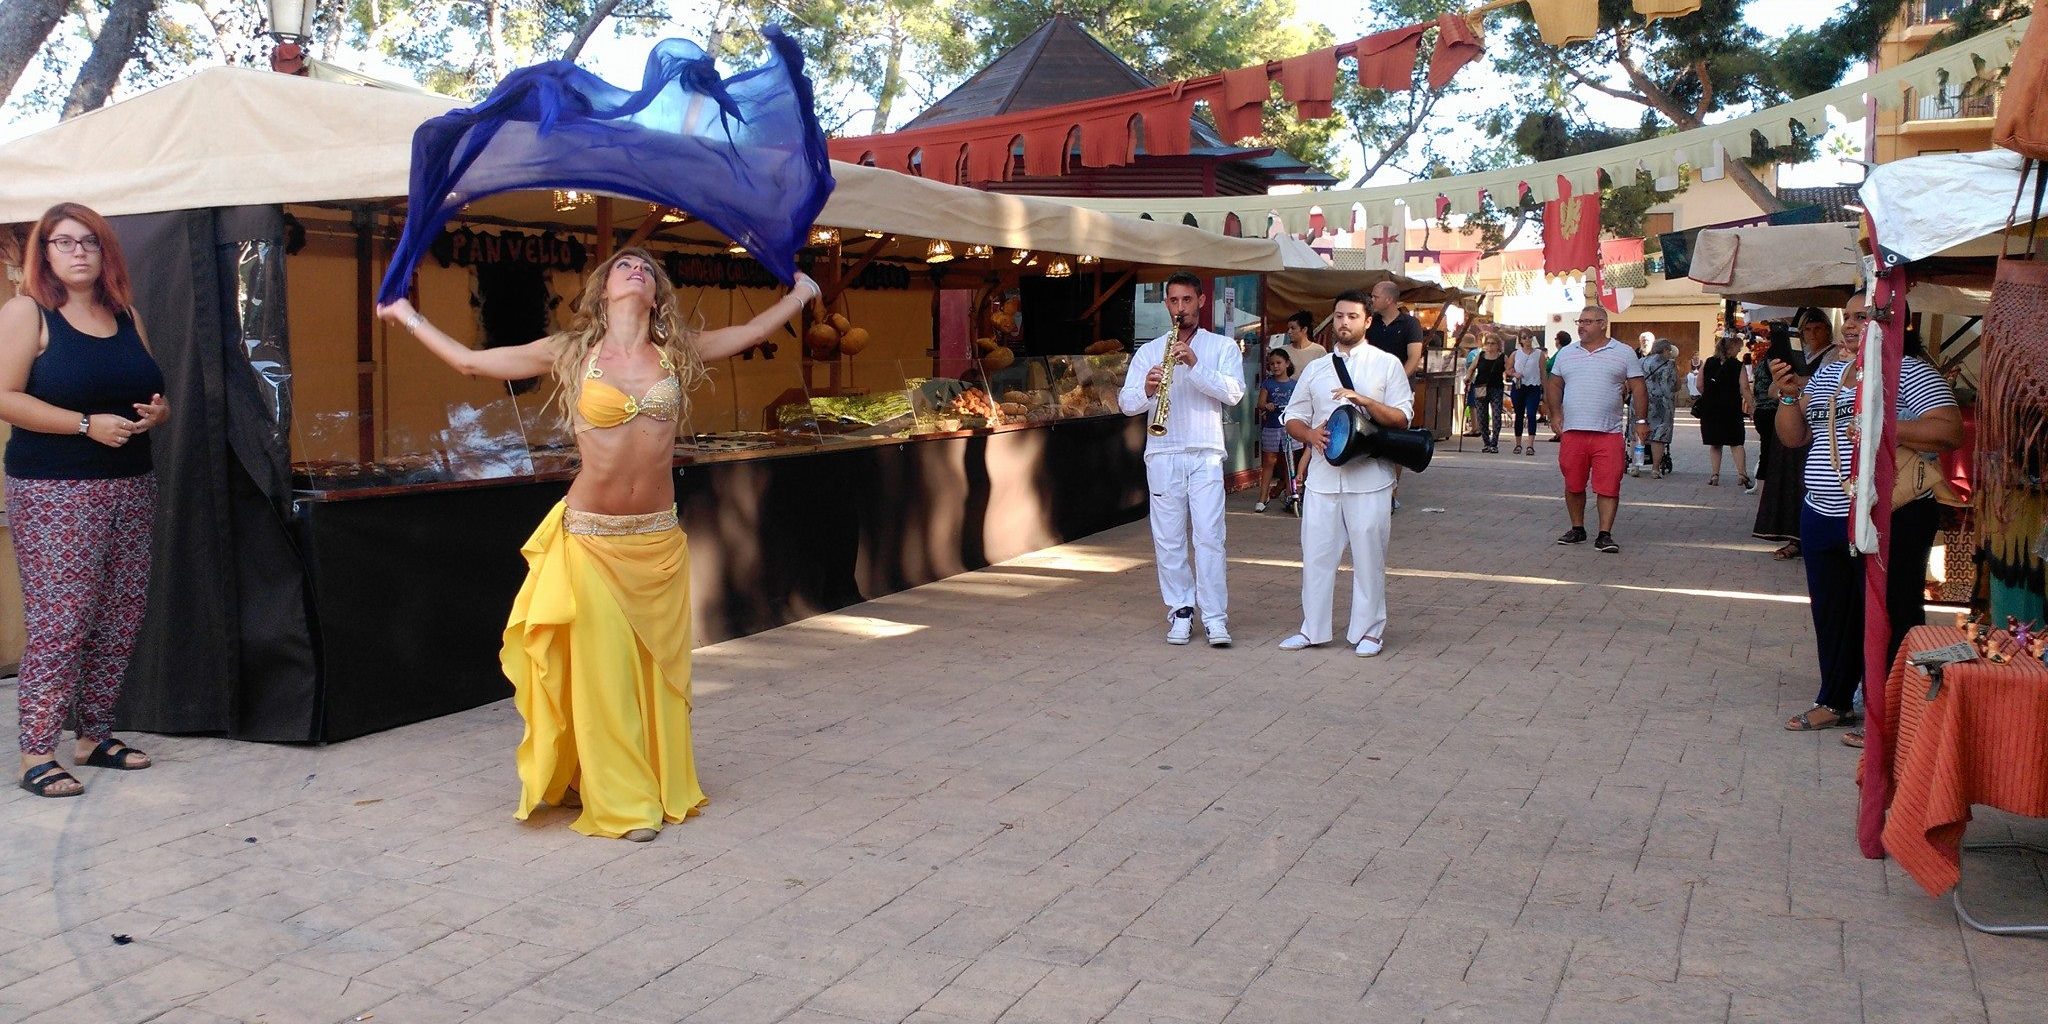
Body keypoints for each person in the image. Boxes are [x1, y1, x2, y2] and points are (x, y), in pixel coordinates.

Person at [376, 250, 817, 841]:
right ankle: (624, 803)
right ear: (602, 289)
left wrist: (801, 294)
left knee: (654, 675)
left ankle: (644, 779)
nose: (635, 270)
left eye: (645, 268)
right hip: (590, 540)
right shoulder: (570, 353)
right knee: (605, 678)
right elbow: (469, 363)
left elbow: (748, 332)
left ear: (656, 293)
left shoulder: (677, 351)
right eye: (622, 266)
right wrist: (404, 311)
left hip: (656, 541)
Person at [0, 204, 170, 799]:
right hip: (55, 490)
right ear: (43, 253)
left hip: (131, 482)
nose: (77, 252)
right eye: (63, 242)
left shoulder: (124, 315)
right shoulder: (28, 313)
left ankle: (93, 737)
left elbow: (149, 389)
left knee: (119, 616)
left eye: (89, 242)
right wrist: (82, 426)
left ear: (105, 253)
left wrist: (158, 413)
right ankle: (35, 754)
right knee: (61, 622)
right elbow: (3, 397)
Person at [1773, 292, 1962, 733]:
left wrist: (1880, 422)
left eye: (1865, 316)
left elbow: (1949, 430)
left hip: (1887, 514)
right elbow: (1794, 436)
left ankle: (1895, 714)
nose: (1852, 324)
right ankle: (1835, 700)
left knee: (1891, 612)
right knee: (1832, 612)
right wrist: (1786, 398)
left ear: (1895, 324)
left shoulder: (1909, 372)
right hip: (1821, 512)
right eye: (1850, 316)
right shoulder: (1830, 372)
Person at [1278, 289, 1415, 657]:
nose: (1344, 323)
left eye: (1352, 316)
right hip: (1324, 477)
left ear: (1367, 321)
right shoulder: (1317, 368)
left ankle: (1369, 631)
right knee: (1317, 554)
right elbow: (1292, 416)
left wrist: (1366, 401)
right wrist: (1310, 436)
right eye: (1339, 316)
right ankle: (1313, 629)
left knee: (1369, 555)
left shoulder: (1386, 364)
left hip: (1369, 477)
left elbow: (1403, 417)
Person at [1119, 271, 1245, 647]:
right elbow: (1126, 404)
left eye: (1187, 300)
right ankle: (1180, 611)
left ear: (1201, 302)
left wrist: (1194, 364)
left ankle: (1216, 617)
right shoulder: (1148, 351)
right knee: (1169, 538)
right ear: (1166, 304)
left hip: (1205, 451)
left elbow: (1234, 393)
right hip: (1162, 452)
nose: (1180, 308)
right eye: (1173, 301)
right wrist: (1146, 388)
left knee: (1209, 537)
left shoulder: (1221, 347)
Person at [1544, 304, 1649, 554]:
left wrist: (1641, 421)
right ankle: (1577, 528)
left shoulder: (1623, 352)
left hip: (1608, 432)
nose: (1581, 326)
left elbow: (1638, 388)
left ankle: (1604, 534)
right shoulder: (1567, 354)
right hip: (1573, 431)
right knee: (1573, 483)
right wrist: (1555, 413)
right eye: (1580, 322)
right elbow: (1554, 384)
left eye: (1588, 321)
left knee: (1609, 484)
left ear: (1603, 324)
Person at [1752, 320, 1816, 558]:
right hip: (1795, 427)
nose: (1812, 334)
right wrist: (1790, 391)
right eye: (1807, 329)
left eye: (1817, 328)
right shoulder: (1800, 355)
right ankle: (1795, 536)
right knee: (1792, 483)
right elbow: (1772, 390)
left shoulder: (1833, 358)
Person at [1365, 281, 1422, 504]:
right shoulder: (1372, 323)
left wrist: (1396, 381)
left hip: (1399, 390)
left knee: (1396, 439)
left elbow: (1414, 358)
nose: (1372, 300)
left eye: (1375, 296)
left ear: (1389, 299)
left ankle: (1392, 491)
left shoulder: (1410, 324)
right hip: (1371, 388)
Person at [1690, 332, 1754, 489]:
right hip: (1731, 407)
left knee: (1715, 443)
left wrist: (1711, 395)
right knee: (1736, 442)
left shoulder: (1708, 363)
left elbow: (1699, 385)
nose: (1739, 351)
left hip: (1711, 408)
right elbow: (1744, 387)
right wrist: (1752, 405)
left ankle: (1715, 475)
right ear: (1731, 348)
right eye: (1738, 348)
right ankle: (1742, 474)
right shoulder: (1737, 365)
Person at [1253, 349, 1299, 513]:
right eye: (1272, 364)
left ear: (1287, 363)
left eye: (1278, 363)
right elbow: (1260, 403)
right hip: (1272, 427)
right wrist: (1267, 406)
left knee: (1289, 462)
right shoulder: (1268, 383)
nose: (1275, 366)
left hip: (1289, 427)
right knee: (1269, 462)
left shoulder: (1295, 384)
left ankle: (1290, 494)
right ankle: (1263, 497)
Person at [1639, 339, 1679, 477]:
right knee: (1659, 435)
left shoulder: (1641, 361)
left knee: (1638, 434)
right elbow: (1675, 386)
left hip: (1640, 400)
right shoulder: (1669, 364)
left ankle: (1635, 466)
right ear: (1665, 350)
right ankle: (1655, 469)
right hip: (1661, 403)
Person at [1509, 331, 1545, 456]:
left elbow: (1543, 372)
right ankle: (1518, 444)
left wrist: (1545, 390)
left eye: (1530, 337)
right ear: (1520, 340)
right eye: (1524, 338)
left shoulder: (1539, 354)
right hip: (1519, 386)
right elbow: (1508, 369)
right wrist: (1514, 374)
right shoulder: (1515, 354)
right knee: (1518, 415)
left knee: (1531, 414)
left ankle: (1530, 445)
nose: (1528, 340)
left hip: (1533, 386)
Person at [1470, 335, 1507, 452]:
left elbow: (1509, 369)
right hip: (1481, 388)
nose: (1490, 346)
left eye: (1493, 343)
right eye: (1488, 343)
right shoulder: (1480, 356)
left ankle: (1494, 443)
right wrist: (1467, 377)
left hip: (1496, 388)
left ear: (1498, 345)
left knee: (1496, 415)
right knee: (1482, 416)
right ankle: (1486, 443)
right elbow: (1471, 368)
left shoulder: (1502, 357)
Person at [1281, 310, 1327, 376]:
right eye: (1288, 328)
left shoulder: (1319, 351)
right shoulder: (1284, 351)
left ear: (1304, 329)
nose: (1289, 331)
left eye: (1293, 328)